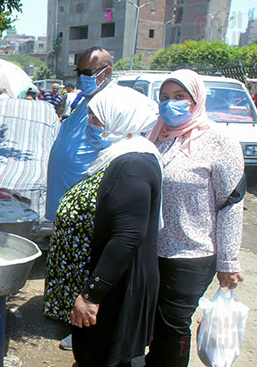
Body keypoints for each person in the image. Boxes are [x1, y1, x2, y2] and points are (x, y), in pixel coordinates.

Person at [44, 86, 161, 365]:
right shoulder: (119, 155)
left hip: (115, 288)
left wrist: (91, 295)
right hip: (107, 282)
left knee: (102, 356)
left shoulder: (132, 164)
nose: (90, 124)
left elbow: (127, 236)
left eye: (96, 118)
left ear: (119, 119)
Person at [144, 69, 245, 367]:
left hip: (191, 253)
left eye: (179, 97)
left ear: (196, 99)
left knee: (173, 326)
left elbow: (231, 203)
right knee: (151, 324)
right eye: (164, 98)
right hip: (150, 250)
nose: (169, 104)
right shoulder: (154, 135)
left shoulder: (220, 141)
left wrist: (228, 262)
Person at [46, 47, 120, 222]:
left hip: (82, 206)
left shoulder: (112, 101)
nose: (80, 78)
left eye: (87, 72)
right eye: (78, 72)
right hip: (64, 202)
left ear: (106, 72)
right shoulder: (85, 98)